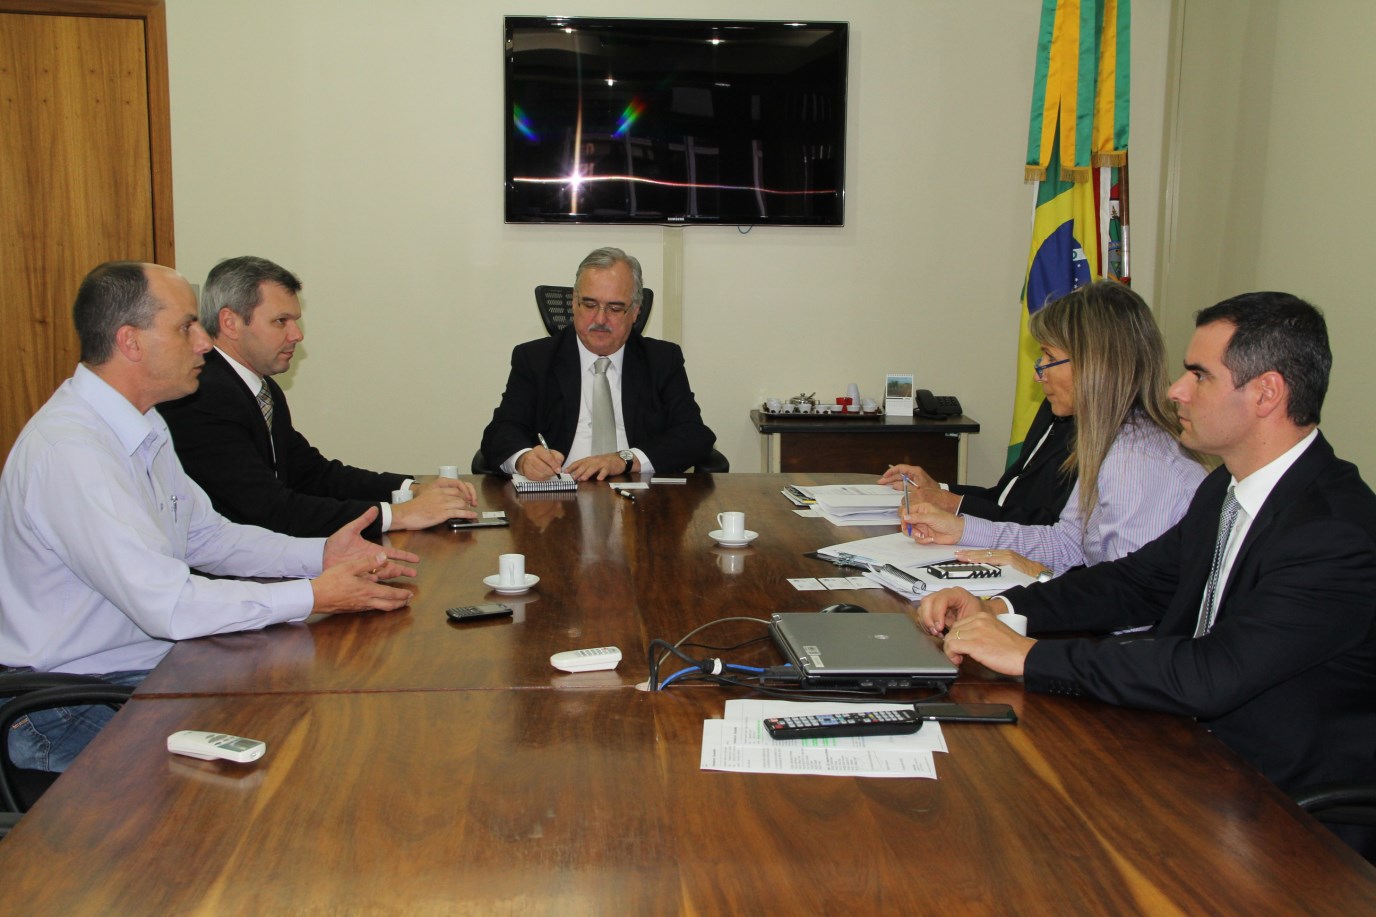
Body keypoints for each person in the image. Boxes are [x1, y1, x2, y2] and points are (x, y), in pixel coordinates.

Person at [917, 292, 1376, 859]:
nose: (1175, 391)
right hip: (1190, 755)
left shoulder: (1335, 533)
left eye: (1199, 376)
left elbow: (1216, 671)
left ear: (1267, 392)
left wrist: (1030, 655)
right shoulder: (1226, 489)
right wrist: (1001, 609)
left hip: (1279, 816)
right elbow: (1134, 582)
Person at [0, 262, 419, 771]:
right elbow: (169, 604)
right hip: (67, 705)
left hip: (145, 671)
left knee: (317, 710)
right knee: (275, 763)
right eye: (185, 327)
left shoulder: (144, 424)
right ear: (130, 342)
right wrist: (313, 593)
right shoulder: (70, 450)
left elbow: (206, 536)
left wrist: (320, 553)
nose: (203, 342)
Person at [902, 281, 1206, 579]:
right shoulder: (1112, 438)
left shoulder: (1137, 458)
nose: (1039, 375)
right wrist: (960, 529)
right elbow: (1068, 543)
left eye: (1049, 357)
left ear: (1093, 364)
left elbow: (1126, 599)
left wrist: (1039, 575)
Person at [160, 256, 476, 539]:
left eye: (295, 320)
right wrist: (399, 515)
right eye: (280, 321)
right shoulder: (201, 396)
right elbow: (268, 509)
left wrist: (409, 488)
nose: (297, 334)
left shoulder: (260, 388)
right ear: (230, 323)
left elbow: (313, 474)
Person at [479, 247, 716, 481]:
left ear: (635, 312)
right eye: (590, 305)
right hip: (559, 499)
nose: (600, 319)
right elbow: (501, 432)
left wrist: (624, 459)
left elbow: (694, 435)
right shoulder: (535, 359)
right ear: (574, 303)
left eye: (614, 308)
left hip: (640, 498)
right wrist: (524, 459)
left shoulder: (662, 359)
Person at [879, 398, 1076, 526]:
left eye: (1050, 358)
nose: (1037, 375)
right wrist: (938, 488)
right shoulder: (1051, 409)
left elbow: (1050, 526)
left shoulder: (1093, 436)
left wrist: (955, 504)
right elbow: (1002, 498)